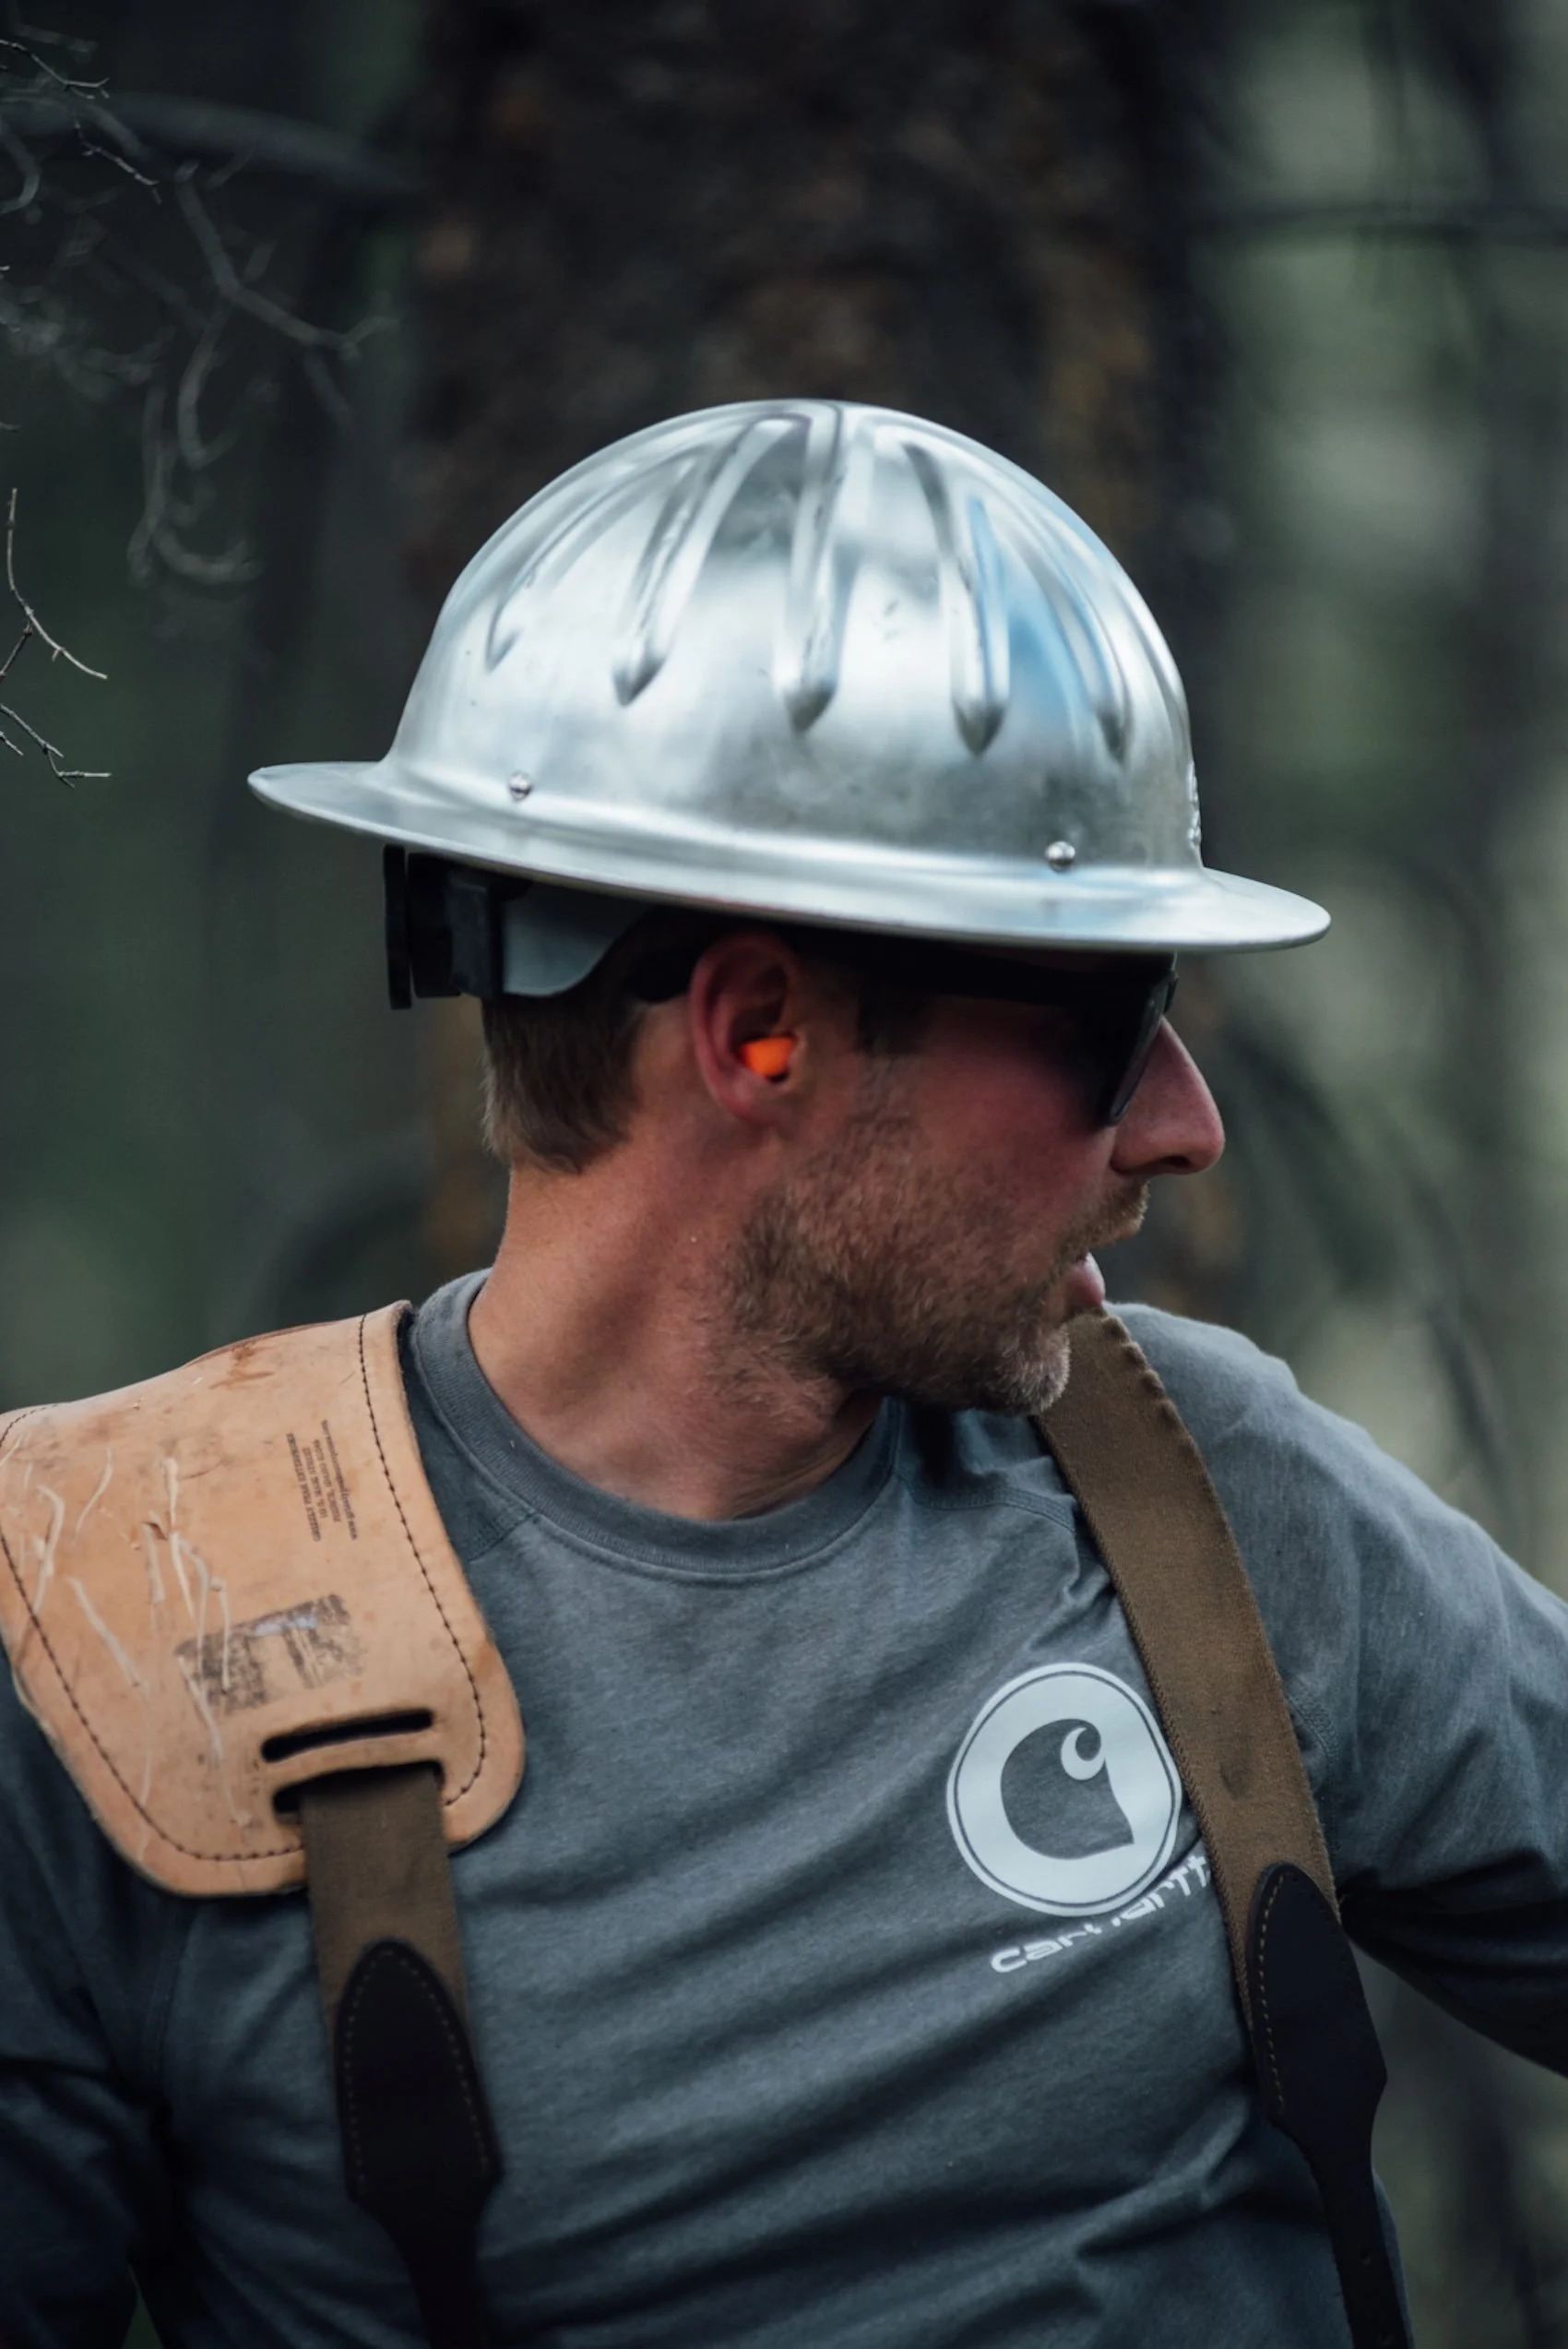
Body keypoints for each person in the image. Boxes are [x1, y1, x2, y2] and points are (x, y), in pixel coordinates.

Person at [4, 399, 1568, 2349]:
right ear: (758, 1032)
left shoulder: (1203, 1492)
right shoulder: (114, 1630)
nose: (1184, 1125)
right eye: (1109, 1019)